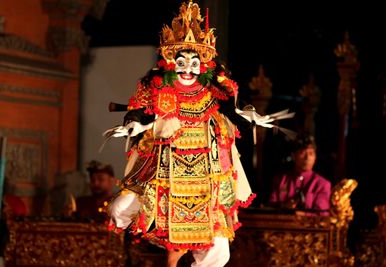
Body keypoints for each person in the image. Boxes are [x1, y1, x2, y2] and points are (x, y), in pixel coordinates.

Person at [104, 2, 294, 266]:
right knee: (119, 208)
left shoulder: (214, 91)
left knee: (218, 254)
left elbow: (233, 113)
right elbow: (142, 112)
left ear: (202, 65)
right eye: (181, 62)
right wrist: (133, 124)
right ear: (171, 62)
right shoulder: (158, 87)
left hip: (207, 177)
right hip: (163, 173)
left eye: (194, 63)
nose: (187, 69)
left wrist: (254, 119)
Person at [268, 133, 331, 215]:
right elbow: (269, 208)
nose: (307, 158)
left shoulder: (322, 184)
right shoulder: (281, 180)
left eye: (311, 154)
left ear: (315, 157)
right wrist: (284, 206)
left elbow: (322, 215)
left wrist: (302, 215)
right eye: (303, 153)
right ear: (293, 156)